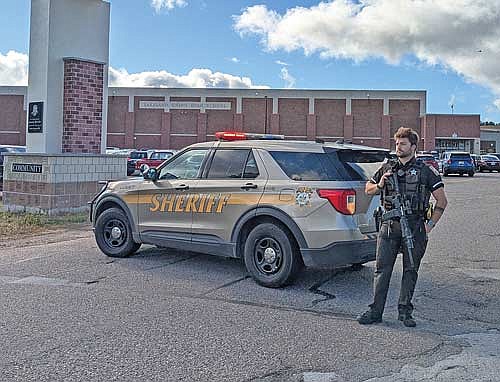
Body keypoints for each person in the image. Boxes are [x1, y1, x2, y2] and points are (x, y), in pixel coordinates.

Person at [358, 127, 448, 327]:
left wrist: (429, 226)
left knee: (410, 270)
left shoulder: (426, 171)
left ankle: (405, 312)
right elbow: (367, 189)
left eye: (403, 144)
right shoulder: (388, 168)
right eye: (397, 143)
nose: (398, 147)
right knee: (382, 270)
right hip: (389, 226)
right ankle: (375, 312)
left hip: (415, 227)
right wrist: (380, 184)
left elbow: (442, 201)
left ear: (413, 147)